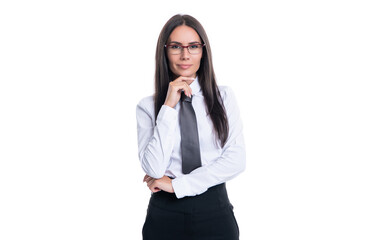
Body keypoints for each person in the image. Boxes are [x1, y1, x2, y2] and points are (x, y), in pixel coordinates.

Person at [136, 14, 246, 240]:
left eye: (193, 46)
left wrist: (178, 186)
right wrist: (168, 106)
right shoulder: (148, 106)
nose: (185, 55)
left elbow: (236, 159)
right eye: (176, 46)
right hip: (165, 215)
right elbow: (154, 169)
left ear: (203, 51)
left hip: (213, 209)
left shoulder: (223, 97)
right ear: (164, 51)